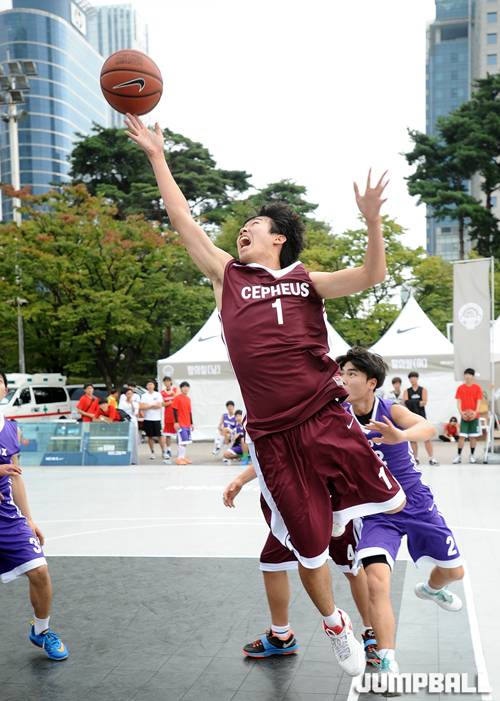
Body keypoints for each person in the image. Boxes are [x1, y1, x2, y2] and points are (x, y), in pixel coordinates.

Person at [125, 113, 406, 676]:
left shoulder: (307, 281)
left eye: (253, 224)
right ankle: (334, 623)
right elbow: (182, 220)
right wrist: (157, 156)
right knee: (306, 548)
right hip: (273, 435)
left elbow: (372, 275)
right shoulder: (226, 275)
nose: (242, 231)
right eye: (242, 226)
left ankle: (378, 615)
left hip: (324, 417)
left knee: (375, 510)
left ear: (278, 238)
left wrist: (373, 222)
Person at [224, 348, 463, 681]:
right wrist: (241, 478)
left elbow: (426, 426)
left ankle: (420, 597)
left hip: (409, 503)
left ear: (371, 382)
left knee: (449, 571)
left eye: (351, 374)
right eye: (342, 374)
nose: (343, 379)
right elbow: (284, 452)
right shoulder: (333, 413)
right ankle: (374, 653)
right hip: (358, 509)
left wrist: (401, 435)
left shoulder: (389, 409)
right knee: (365, 578)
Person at [0, 370, 68, 660]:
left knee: (39, 570)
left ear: (4, 390)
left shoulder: (10, 429)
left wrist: (29, 519)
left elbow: (16, 477)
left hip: (6, 516)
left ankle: (41, 631)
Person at [403, 372, 438, 466]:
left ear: (417, 378)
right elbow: (406, 402)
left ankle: (431, 458)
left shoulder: (423, 390)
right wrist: (417, 402)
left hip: (422, 417)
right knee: (413, 439)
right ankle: (415, 458)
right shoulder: (407, 391)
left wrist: (411, 402)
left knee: (427, 438)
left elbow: (424, 402)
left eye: (414, 377)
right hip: (411, 417)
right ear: (409, 379)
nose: (412, 379)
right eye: (411, 378)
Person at [453, 368, 483, 464]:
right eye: (466, 374)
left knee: (473, 437)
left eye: (469, 374)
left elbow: (479, 402)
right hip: (464, 416)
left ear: (473, 376)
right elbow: (459, 402)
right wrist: (461, 413)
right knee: (462, 436)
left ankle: (472, 455)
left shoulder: (477, 388)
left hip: (474, 416)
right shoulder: (460, 388)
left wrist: (475, 413)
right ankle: (458, 456)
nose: (467, 376)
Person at [139, 380, 163, 460]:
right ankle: (152, 452)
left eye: (151, 384)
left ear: (154, 386)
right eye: (148, 385)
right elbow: (142, 407)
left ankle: (164, 452)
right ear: (146, 386)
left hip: (157, 419)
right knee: (150, 436)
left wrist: (148, 405)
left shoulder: (158, 394)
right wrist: (153, 405)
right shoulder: (144, 395)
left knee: (160, 436)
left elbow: (159, 405)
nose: (150, 386)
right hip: (147, 418)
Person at [172, 381, 193, 465]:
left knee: (185, 441)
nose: (185, 388)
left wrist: (191, 423)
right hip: (181, 423)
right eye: (183, 387)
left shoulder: (188, 399)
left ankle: (183, 457)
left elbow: (190, 412)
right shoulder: (177, 398)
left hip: (187, 423)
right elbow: (174, 410)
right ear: (181, 389)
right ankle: (179, 458)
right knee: (181, 441)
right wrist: (176, 422)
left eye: (187, 387)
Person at [118, 387, 140, 464]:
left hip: (134, 422)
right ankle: (125, 458)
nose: (129, 395)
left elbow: (135, 413)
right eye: (128, 394)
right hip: (125, 422)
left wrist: (131, 403)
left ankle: (134, 459)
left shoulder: (135, 403)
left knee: (134, 440)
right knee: (125, 440)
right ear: (125, 395)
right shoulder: (122, 403)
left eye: (131, 393)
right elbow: (120, 412)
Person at [161, 376, 179, 464]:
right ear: (164, 383)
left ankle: (180, 450)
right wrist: (170, 402)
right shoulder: (162, 392)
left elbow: (178, 399)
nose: (167, 383)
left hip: (176, 415)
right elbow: (162, 404)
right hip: (167, 415)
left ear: (171, 382)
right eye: (165, 381)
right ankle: (168, 450)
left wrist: (173, 395)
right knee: (168, 434)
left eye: (168, 381)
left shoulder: (175, 389)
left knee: (179, 433)